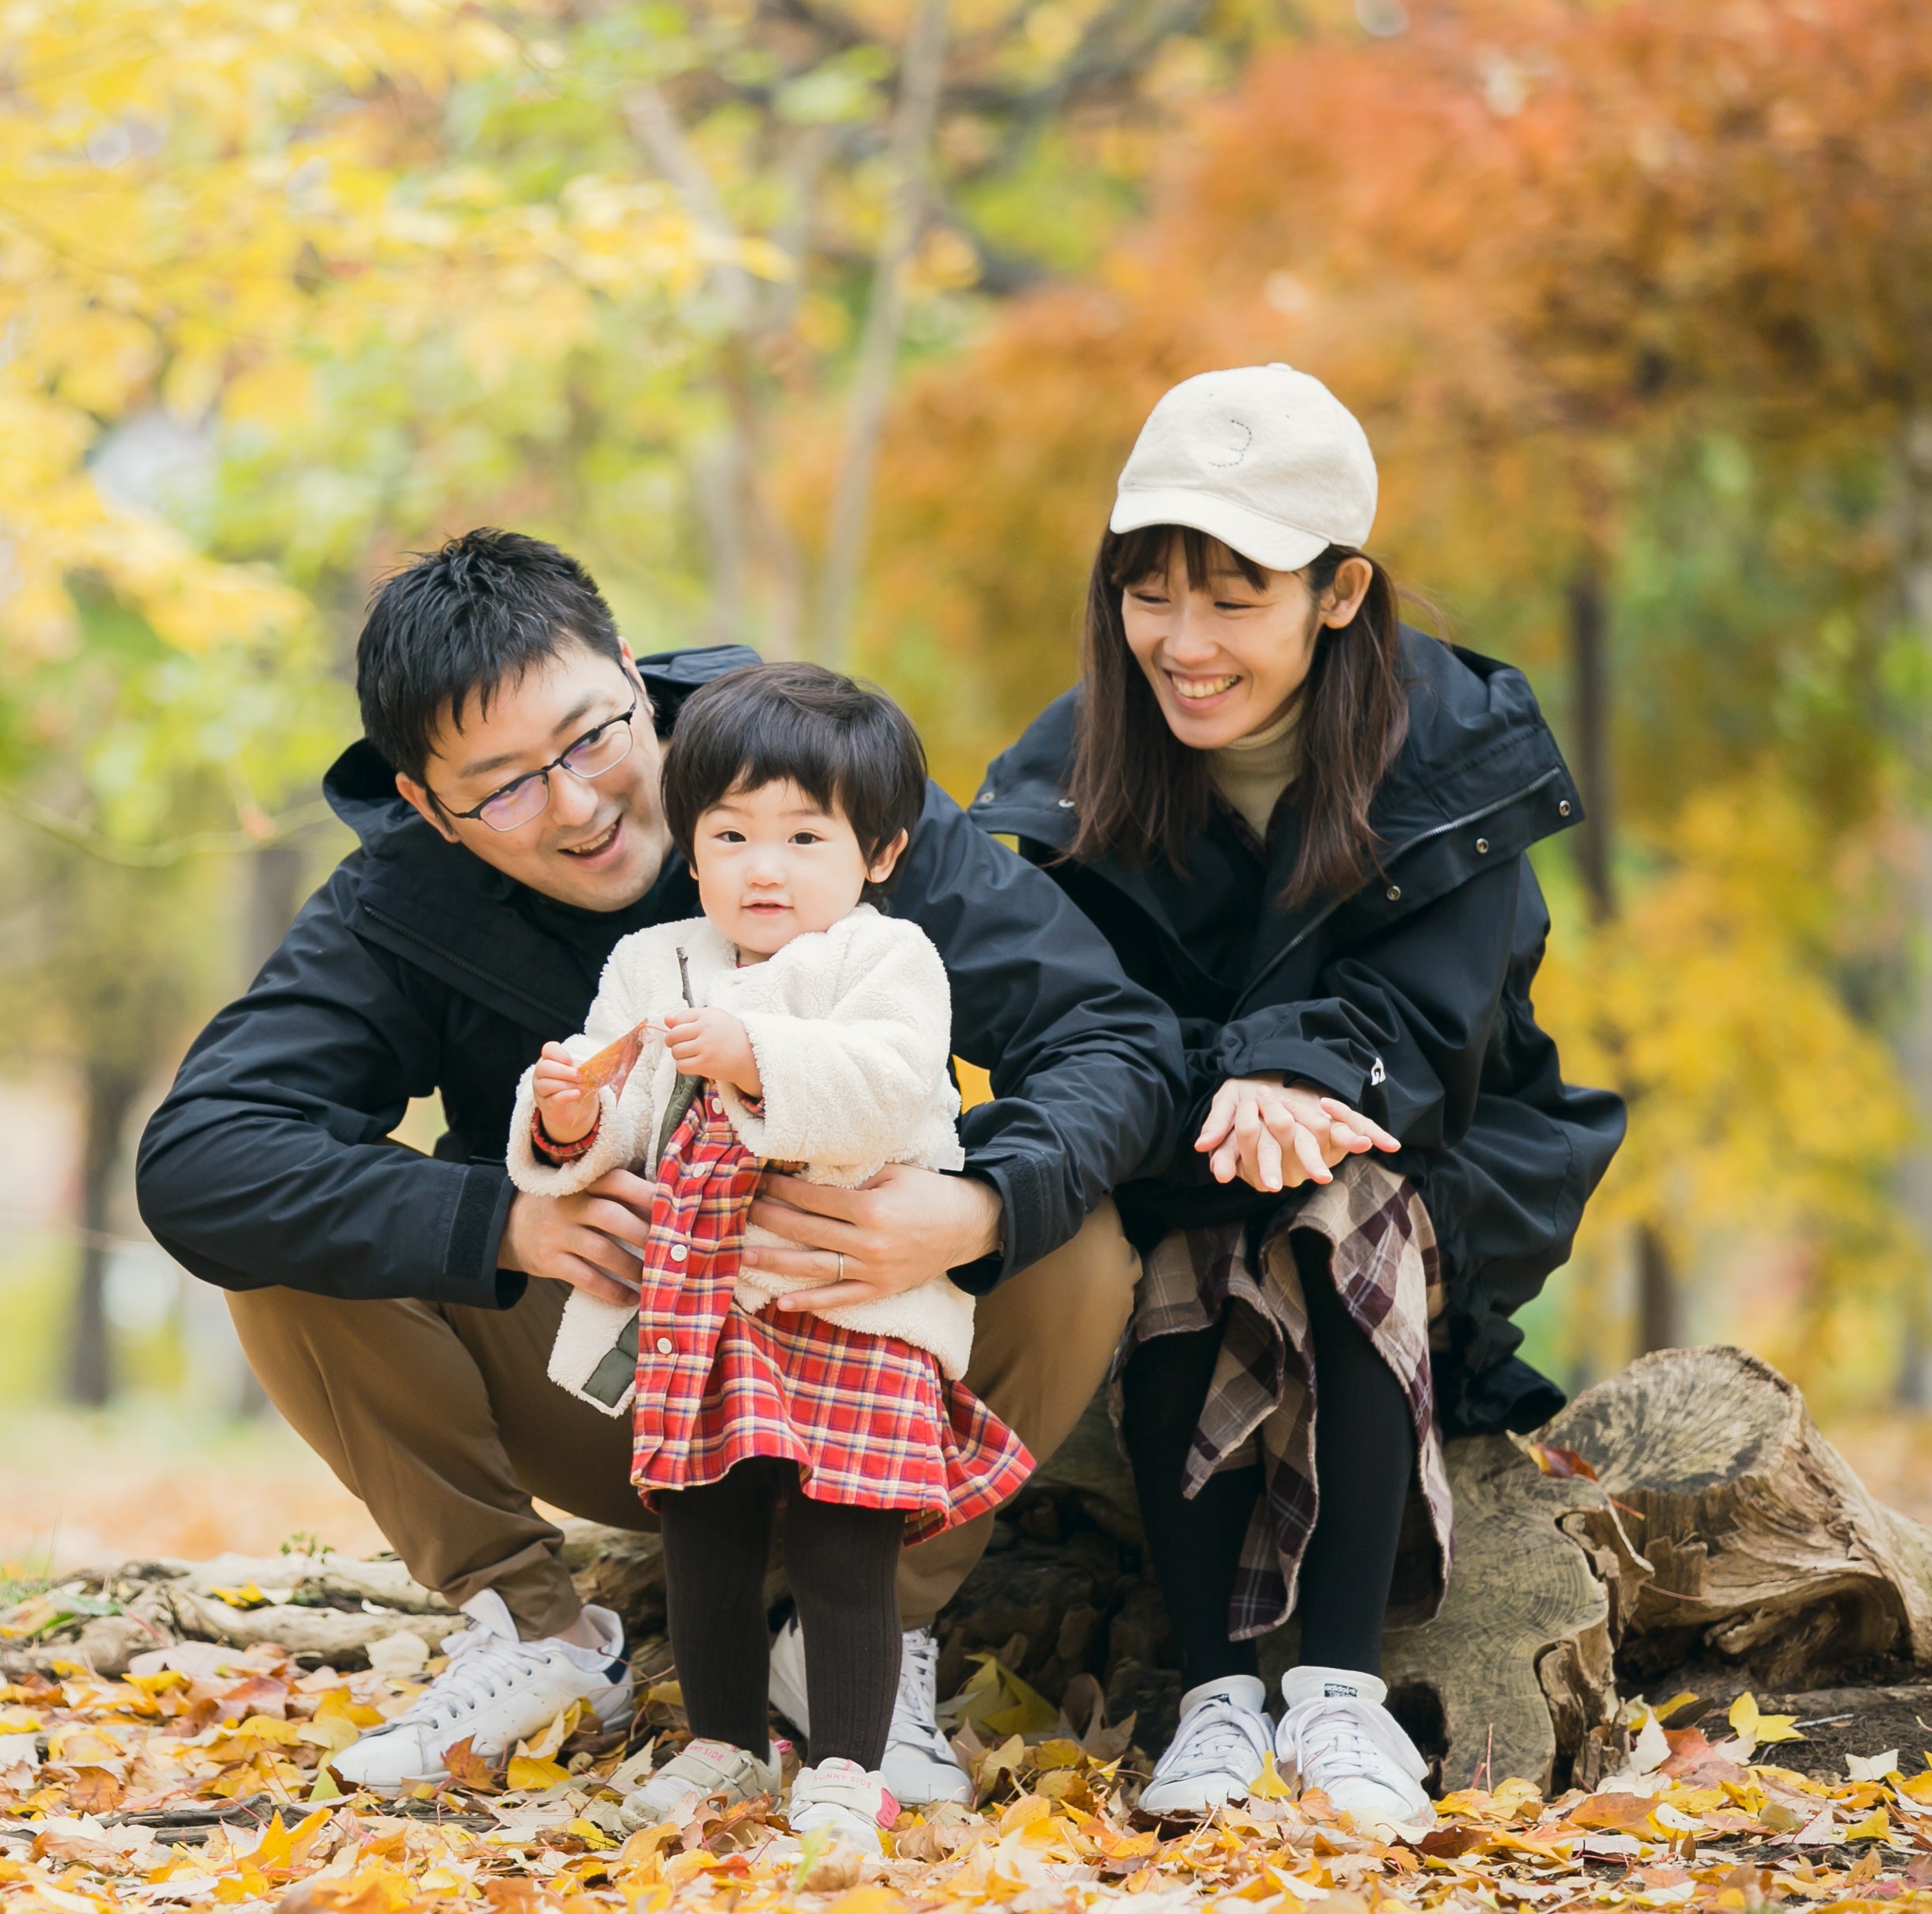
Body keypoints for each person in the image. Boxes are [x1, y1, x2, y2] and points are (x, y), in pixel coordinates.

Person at [135, 529, 1186, 1802]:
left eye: (590, 738)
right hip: (627, 1369)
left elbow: (1114, 1039)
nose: (578, 804)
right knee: (284, 1244)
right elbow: (201, 1158)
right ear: (425, 804)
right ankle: (537, 1630)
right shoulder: (400, 903)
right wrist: (504, 1222)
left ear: (633, 673)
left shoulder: (806, 774)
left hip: (871, 1346)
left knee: (1072, 1237)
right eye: (505, 786)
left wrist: (970, 1206)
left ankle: (866, 1636)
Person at [972, 366, 1625, 1834]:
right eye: (1149, 593)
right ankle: (1216, 1691)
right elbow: (1064, 1021)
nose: (1184, 645)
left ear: (1339, 594)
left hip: (1437, 1152)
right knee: (1192, 1220)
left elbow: (1438, 1026)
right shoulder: (1068, 776)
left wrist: (1303, 1079)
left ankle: (1339, 1686)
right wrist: (1235, 1093)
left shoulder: (1454, 756)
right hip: (1176, 1167)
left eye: (1234, 597)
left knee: (1336, 1188)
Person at [511, 663, 1026, 1842]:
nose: (763, 865)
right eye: (730, 832)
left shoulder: (885, 962)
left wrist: (752, 1053)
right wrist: (570, 1116)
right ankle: (723, 1742)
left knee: (847, 1539)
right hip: (703, 1305)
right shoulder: (655, 964)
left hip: (850, 1303)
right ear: (690, 847)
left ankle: (850, 1760)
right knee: (708, 1531)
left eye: (804, 834)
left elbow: (892, 1092)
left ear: (879, 852)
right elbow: (622, 1114)